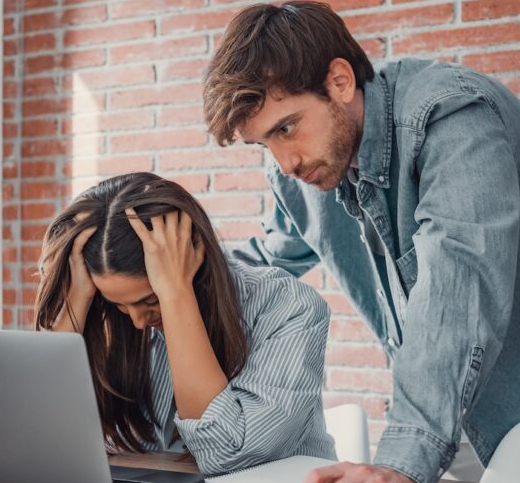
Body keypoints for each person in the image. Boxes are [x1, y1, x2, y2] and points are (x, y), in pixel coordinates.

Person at [202, 1, 520, 483]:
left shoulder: (450, 115)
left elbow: (459, 286)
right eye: (264, 144)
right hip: (461, 422)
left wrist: (399, 463)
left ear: (340, 81)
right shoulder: (304, 171)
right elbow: (269, 259)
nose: (285, 162)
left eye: (286, 128)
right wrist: (171, 281)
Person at [35, 172, 336, 476]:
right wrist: (74, 307)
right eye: (120, 306)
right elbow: (38, 444)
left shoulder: (287, 308)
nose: (138, 321)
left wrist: (176, 293)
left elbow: (225, 454)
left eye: (150, 301)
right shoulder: (111, 321)